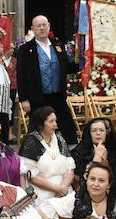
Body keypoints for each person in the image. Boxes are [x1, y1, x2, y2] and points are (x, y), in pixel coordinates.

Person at [16, 15, 80, 144]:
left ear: (49, 26)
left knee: (68, 129)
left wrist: (83, 63)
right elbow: (21, 75)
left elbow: (65, 67)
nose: (42, 28)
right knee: (38, 131)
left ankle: (74, 157)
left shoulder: (58, 45)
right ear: (33, 29)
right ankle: (35, 157)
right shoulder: (25, 49)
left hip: (58, 96)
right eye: (38, 26)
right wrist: (23, 99)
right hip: (37, 98)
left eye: (44, 25)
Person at [18, 106, 75, 206]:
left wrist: (62, 188)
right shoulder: (31, 142)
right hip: (41, 193)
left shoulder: (60, 139)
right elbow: (30, 175)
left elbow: (70, 168)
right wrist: (55, 188)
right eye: (51, 121)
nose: (55, 125)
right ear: (40, 124)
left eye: (55, 121)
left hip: (64, 191)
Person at [70, 117, 116, 198]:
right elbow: (81, 178)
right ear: (89, 133)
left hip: (112, 197)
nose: (98, 133)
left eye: (101, 130)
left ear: (106, 133)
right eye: (94, 130)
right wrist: (97, 156)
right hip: (86, 197)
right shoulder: (79, 153)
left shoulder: (115, 153)